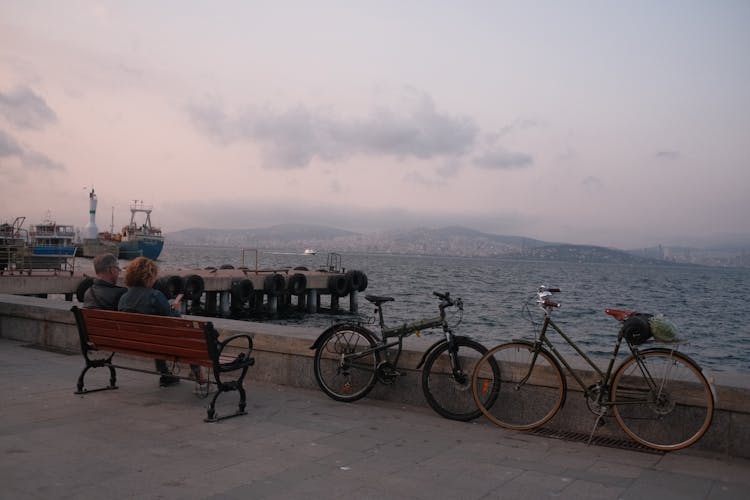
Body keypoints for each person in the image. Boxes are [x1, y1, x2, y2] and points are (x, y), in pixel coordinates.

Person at [117, 256, 204, 388]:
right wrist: (176, 309)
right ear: (149, 277)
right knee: (189, 336)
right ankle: (199, 376)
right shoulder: (155, 295)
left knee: (157, 336)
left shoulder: (124, 297)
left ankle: (165, 374)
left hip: (133, 341)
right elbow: (174, 320)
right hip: (156, 341)